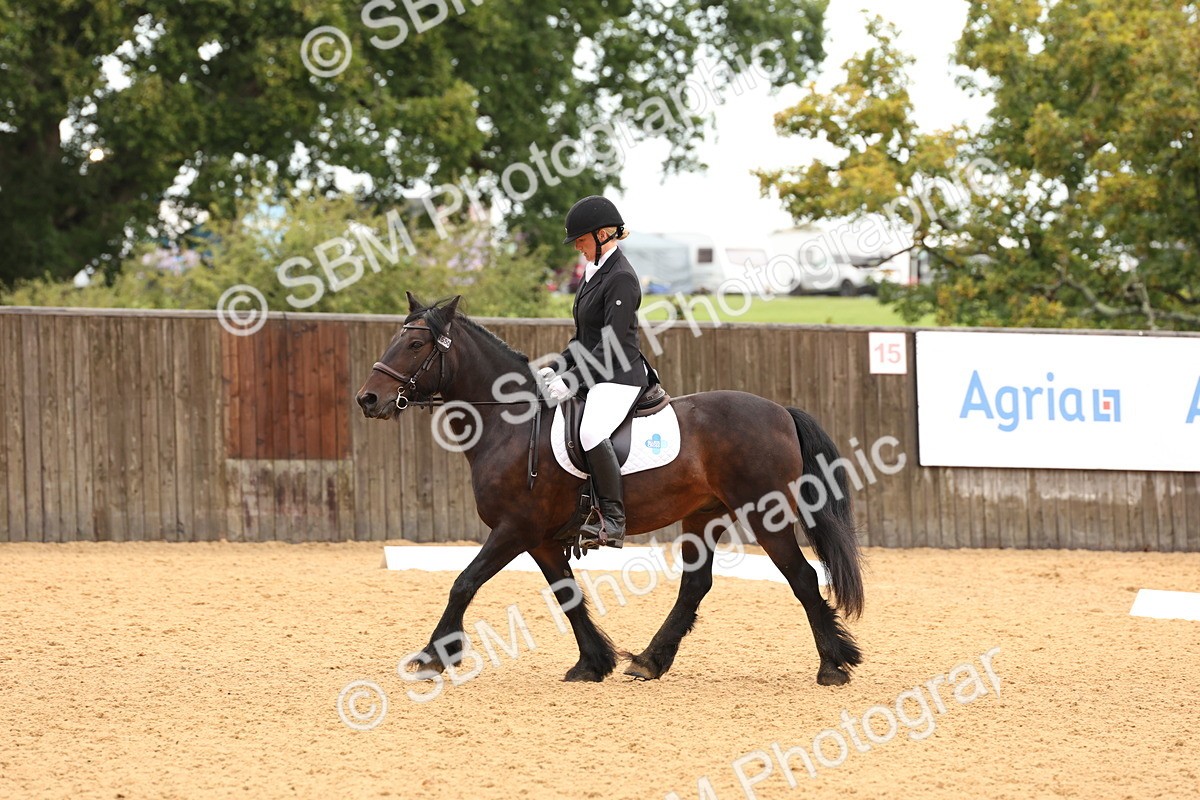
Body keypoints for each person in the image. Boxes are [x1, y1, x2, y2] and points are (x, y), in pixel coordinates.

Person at [542, 196, 652, 550]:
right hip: (597, 373)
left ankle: (614, 519)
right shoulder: (593, 275)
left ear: (604, 234)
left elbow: (612, 345)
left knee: (589, 432)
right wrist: (555, 368)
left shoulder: (621, 278)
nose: (577, 246)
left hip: (619, 377)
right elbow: (583, 340)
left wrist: (572, 380)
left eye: (582, 239)